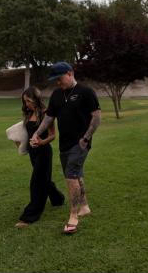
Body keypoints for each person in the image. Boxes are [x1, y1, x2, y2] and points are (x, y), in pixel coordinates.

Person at [31, 62, 101, 234]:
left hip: (80, 143)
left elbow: (96, 117)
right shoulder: (56, 95)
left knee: (71, 176)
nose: (58, 83)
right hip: (65, 144)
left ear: (70, 73)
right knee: (76, 175)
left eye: (60, 78)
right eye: (55, 80)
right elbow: (49, 118)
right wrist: (37, 134)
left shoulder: (85, 92)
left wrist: (86, 138)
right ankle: (84, 207)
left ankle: (73, 216)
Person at [15, 86, 65, 228]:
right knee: (45, 180)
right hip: (33, 152)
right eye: (25, 102)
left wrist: (41, 142)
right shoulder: (29, 114)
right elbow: (27, 134)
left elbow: (53, 135)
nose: (26, 104)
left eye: (29, 101)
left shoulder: (45, 113)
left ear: (36, 99)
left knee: (37, 182)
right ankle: (58, 199)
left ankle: (30, 216)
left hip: (44, 152)